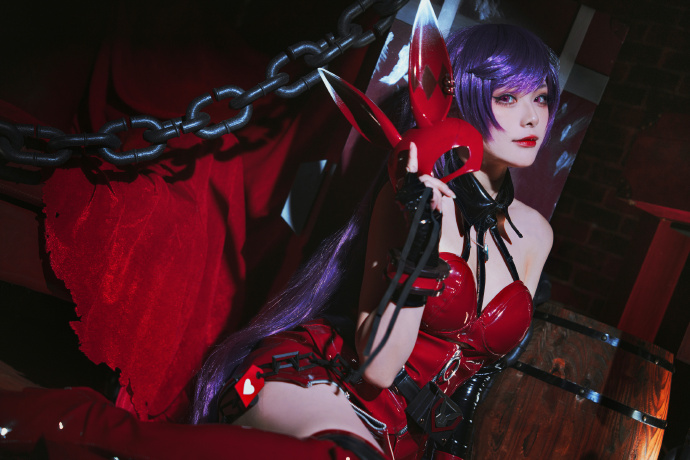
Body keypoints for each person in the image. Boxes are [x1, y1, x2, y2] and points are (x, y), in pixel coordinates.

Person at [191, 7, 560, 459]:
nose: (532, 118)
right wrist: (420, 245)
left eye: (541, 98)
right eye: (507, 98)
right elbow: (380, 369)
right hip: (331, 385)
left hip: (412, 435)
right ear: (464, 97)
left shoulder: (537, 234)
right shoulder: (412, 199)